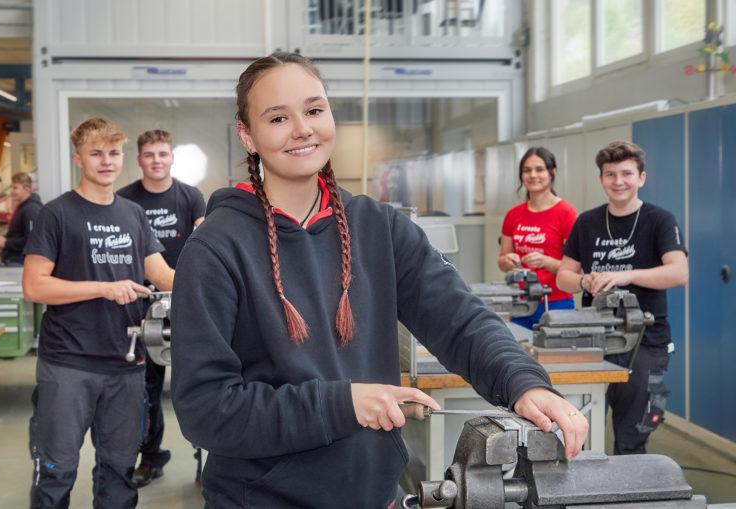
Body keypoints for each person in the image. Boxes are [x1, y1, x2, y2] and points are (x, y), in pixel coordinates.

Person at [169, 51, 588, 508]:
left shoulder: (379, 226)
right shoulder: (215, 247)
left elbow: (461, 320)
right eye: (277, 118)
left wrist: (524, 382)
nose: (302, 128)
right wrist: (343, 404)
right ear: (247, 136)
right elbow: (206, 409)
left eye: (314, 110)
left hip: (374, 496)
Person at [22, 118, 175, 508]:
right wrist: (103, 289)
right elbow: (35, 285)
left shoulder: (133, 214)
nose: (106, 161)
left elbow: (160, 274)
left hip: (126, 365)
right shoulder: (56, 214)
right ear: (79, 159)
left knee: (119, 471)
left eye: (113, 153)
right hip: (69, 364)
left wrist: (220, 274)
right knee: (56, 470)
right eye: (96, 153)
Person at [557, 141, 688, 455]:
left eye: (627, 173)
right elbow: (564, 276)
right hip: (592, 340)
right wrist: (583, 280)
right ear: (601, 179)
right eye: (610, 174)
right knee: (578, 435)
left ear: (641, 178)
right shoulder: (586, 222)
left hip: (644, 341)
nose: (619, 181)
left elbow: (679, 273)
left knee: (631, 437)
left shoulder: (660, 220)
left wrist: (626, 275)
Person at [117, 129, 205, 487]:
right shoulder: (124, 200)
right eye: (149, 154)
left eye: (163, 154)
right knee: (145, 392)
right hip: (140, 303)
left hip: (187, 304)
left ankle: (206, 460)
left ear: (172, 158)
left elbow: (204, 246)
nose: (156, 160)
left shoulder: (190, 197)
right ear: (139, 159)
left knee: (200, 386)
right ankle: (150, 458)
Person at [498, 147, 578, 328]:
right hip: (520, 302)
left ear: (552, 173)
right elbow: (501, 262)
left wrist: (545, 261)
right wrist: (508, 260)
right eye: (527, 170)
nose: (533, 175)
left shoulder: (567, 213)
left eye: (539, 169)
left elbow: (575, 272)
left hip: (556, 303)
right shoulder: (513, 215)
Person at [0, 172, 43, 266]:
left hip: (20, 263)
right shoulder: (22, 207)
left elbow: (31, 241)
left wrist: (6, 243)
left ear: (27, 189)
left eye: (15, 188)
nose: (11, 191)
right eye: (11, 187)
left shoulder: (31, 210)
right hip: (12, 260)